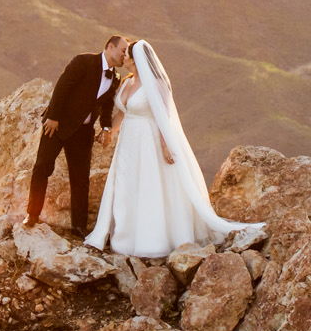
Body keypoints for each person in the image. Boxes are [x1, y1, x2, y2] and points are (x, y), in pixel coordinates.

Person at [85, 39, 252, 257]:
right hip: (128, 144)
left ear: (136, 59)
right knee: (127, 186)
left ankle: (152, 239)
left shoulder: (156, 84)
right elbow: (123, 113)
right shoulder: (126, 83)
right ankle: (126, 237)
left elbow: (165, 117)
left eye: (127, 54)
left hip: (149, 141)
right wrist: (108, 133)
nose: (123, 56)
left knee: (150, 185)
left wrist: (165, 146)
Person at [25, 35, 130, 233]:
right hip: (58, 125)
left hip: (83, 132)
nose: (125, 55)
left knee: (81, 178)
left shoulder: (115, 78)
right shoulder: (84, 61)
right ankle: (32, 214)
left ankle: (79, 226)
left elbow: (106, 106)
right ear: (110, 47)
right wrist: (53, 117)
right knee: (42, 166)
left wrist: (106, 128)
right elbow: (62, 87)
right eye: (123, 50)